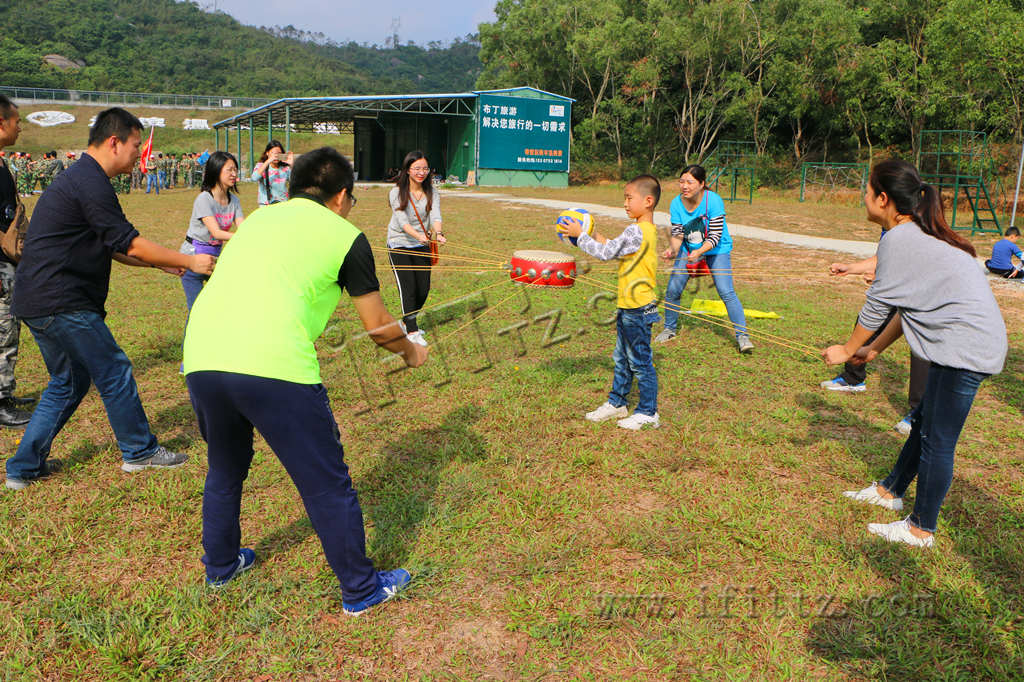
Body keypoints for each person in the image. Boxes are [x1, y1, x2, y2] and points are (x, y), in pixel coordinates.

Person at [183, 147, 425, 613]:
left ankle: (221, 566)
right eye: (351, 200)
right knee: (326, 483)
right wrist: (413, 351)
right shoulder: (346, 236)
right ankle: (361, 589)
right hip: (273, 366)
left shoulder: (257, 219)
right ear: (340, 197)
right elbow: (377, 326)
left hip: (202, 355)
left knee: (225, 466)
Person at [3, 108, 217, 491]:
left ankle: (23, 467)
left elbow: (115, 246)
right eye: (136, 145)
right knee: (114, 370)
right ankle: (139, 451)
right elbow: (129, 242)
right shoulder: (90, 181)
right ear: (114, 141)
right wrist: (188, 259)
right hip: (62, 300)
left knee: (67, 382)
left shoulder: (83, 178)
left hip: (38, 300)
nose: (139, 154)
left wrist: (163, 265)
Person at [823, 159, 1006, 548]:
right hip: (958, 344)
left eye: (868, 192)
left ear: (884, 199)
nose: (865, 199)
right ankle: (891, 491)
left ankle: (921, 528)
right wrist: (873, 349)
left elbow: (876, 307)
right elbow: (908, 308)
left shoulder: (901, 240)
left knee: (938, 439)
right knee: (924, 424)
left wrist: (848, 348)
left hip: (966, 349)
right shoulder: (915, 235)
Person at [563, 174, 662, 430]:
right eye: (624, 198)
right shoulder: (644, 230)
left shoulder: (637, 230)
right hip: (630, 306)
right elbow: (614, 246)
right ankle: (617, 403)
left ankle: (648, 412)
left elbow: (607, 254)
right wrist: (593, 234)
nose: (626, 203)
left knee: (640, 362)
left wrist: (580, 236)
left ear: (648, 201)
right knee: (622, 358)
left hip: (638, 309)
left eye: (630, 198)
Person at [820, 255, 931, 435]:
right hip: (908, 291)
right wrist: (853, 268)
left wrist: (847, 350)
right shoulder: (892, 232)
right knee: (869, 322)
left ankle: (921, 415)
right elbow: (887, 255)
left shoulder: (916, 231)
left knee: (920, 343)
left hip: (931, 301)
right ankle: (853, 379)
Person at [656, 165, 754, 353]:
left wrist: (700, 251)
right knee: (673, 289)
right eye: (681, 181)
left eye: (690, 182)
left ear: (701, 184)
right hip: (689, 249)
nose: (684, 186)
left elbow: (715, 236)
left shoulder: (714, 201)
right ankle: (669, 329)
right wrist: (672, 250)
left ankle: (742, 336)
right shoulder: (676, 204)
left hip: (717, 249)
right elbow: (678, 234)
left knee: (726, 291)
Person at [385, 151, 447, 346]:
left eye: (425, 169)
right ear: (408, 170)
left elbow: (436, 215)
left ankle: (406, 321)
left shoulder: (432, 192)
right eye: (417, 168)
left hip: (422, 245)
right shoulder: (396, 192)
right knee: (408, 288)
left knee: (423, 288)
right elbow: (402, 222)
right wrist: (419, 235)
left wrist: (438, 232)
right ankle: (411, 331)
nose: (421, 172)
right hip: (399, 243)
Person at [0, 95, 34, 427]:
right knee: (3, 330)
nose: (19, 127)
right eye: (16, 121)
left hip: (8, 260)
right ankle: (0, 401)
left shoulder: (1, 164)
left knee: (9, 327)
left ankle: (6, 391)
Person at [179, 151, 244, 312]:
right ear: (216, 171)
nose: (234, 174)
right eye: (229, 170)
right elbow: (216, 232)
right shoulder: (204, 199)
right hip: (192, 258)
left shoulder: (234, 201)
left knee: (223, 305)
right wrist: (244, 237)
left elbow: (243, 227)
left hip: (214, 259)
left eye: (235, 169)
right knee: (197, 312)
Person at [250, 140, 292, 207]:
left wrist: (292, 164)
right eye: (273, 153)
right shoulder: (261, 166)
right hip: (266, 205)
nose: (276, 155)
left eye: (279, 153)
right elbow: (254, 178)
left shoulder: (285, 168)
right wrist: (268, 161)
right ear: (267, 153)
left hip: (282, 205)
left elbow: (298, 181)